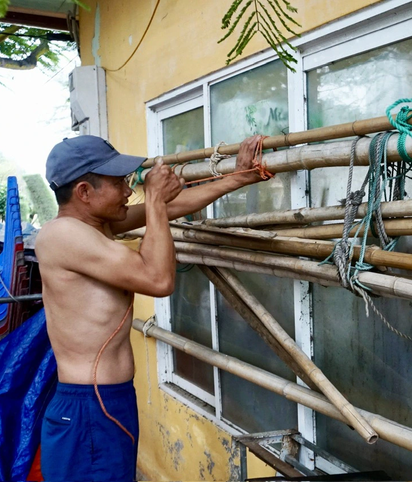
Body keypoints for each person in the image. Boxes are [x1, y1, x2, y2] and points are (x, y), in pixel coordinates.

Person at [35, 134, 264, 481]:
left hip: (110, 400)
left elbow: (172, 207)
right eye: (119, 184)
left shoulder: (97, 227)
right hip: (88, 408)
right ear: (84, 192)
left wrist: (240, 176)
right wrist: (155, 197)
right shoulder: (62, 235)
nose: (128, 192)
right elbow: (158, 281)